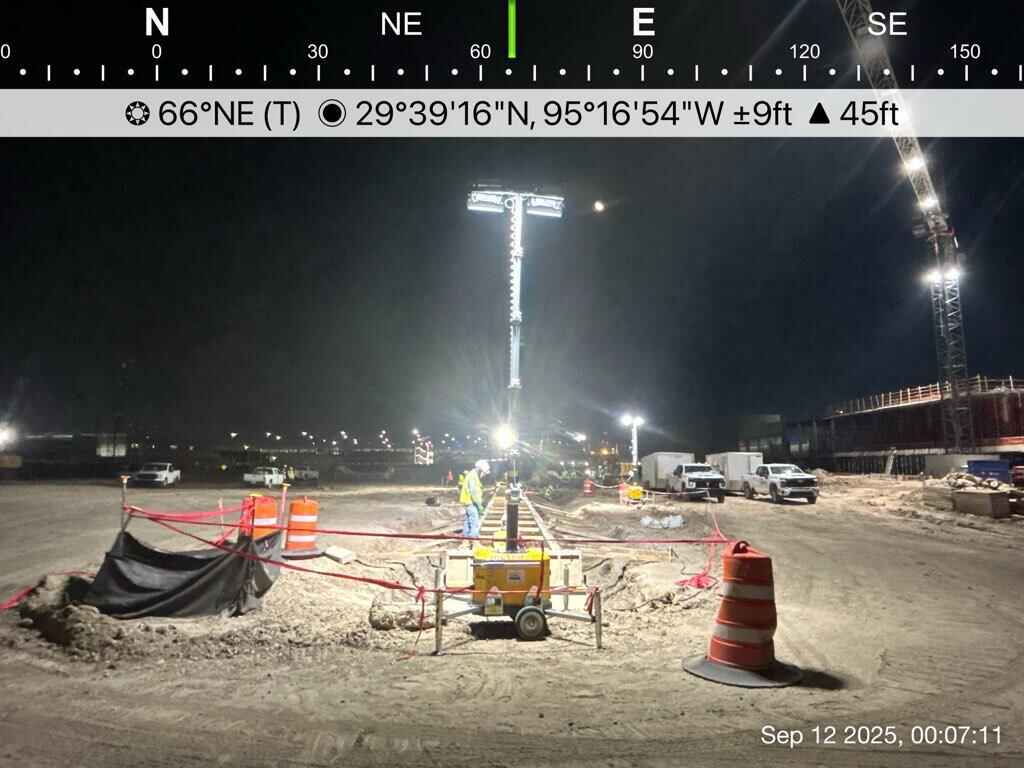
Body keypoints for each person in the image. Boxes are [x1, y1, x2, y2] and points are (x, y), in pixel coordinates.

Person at [459, 460, 489, 542]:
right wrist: (479, 506)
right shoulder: (473, 476)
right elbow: (474, 493)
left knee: (468, 521)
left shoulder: (472, 475)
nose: (484, 475)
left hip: (467, 502)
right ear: (480, 469)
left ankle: (466, 538)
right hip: (470, 502)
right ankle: (473, 539)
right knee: (475, 522)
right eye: (484, 473)